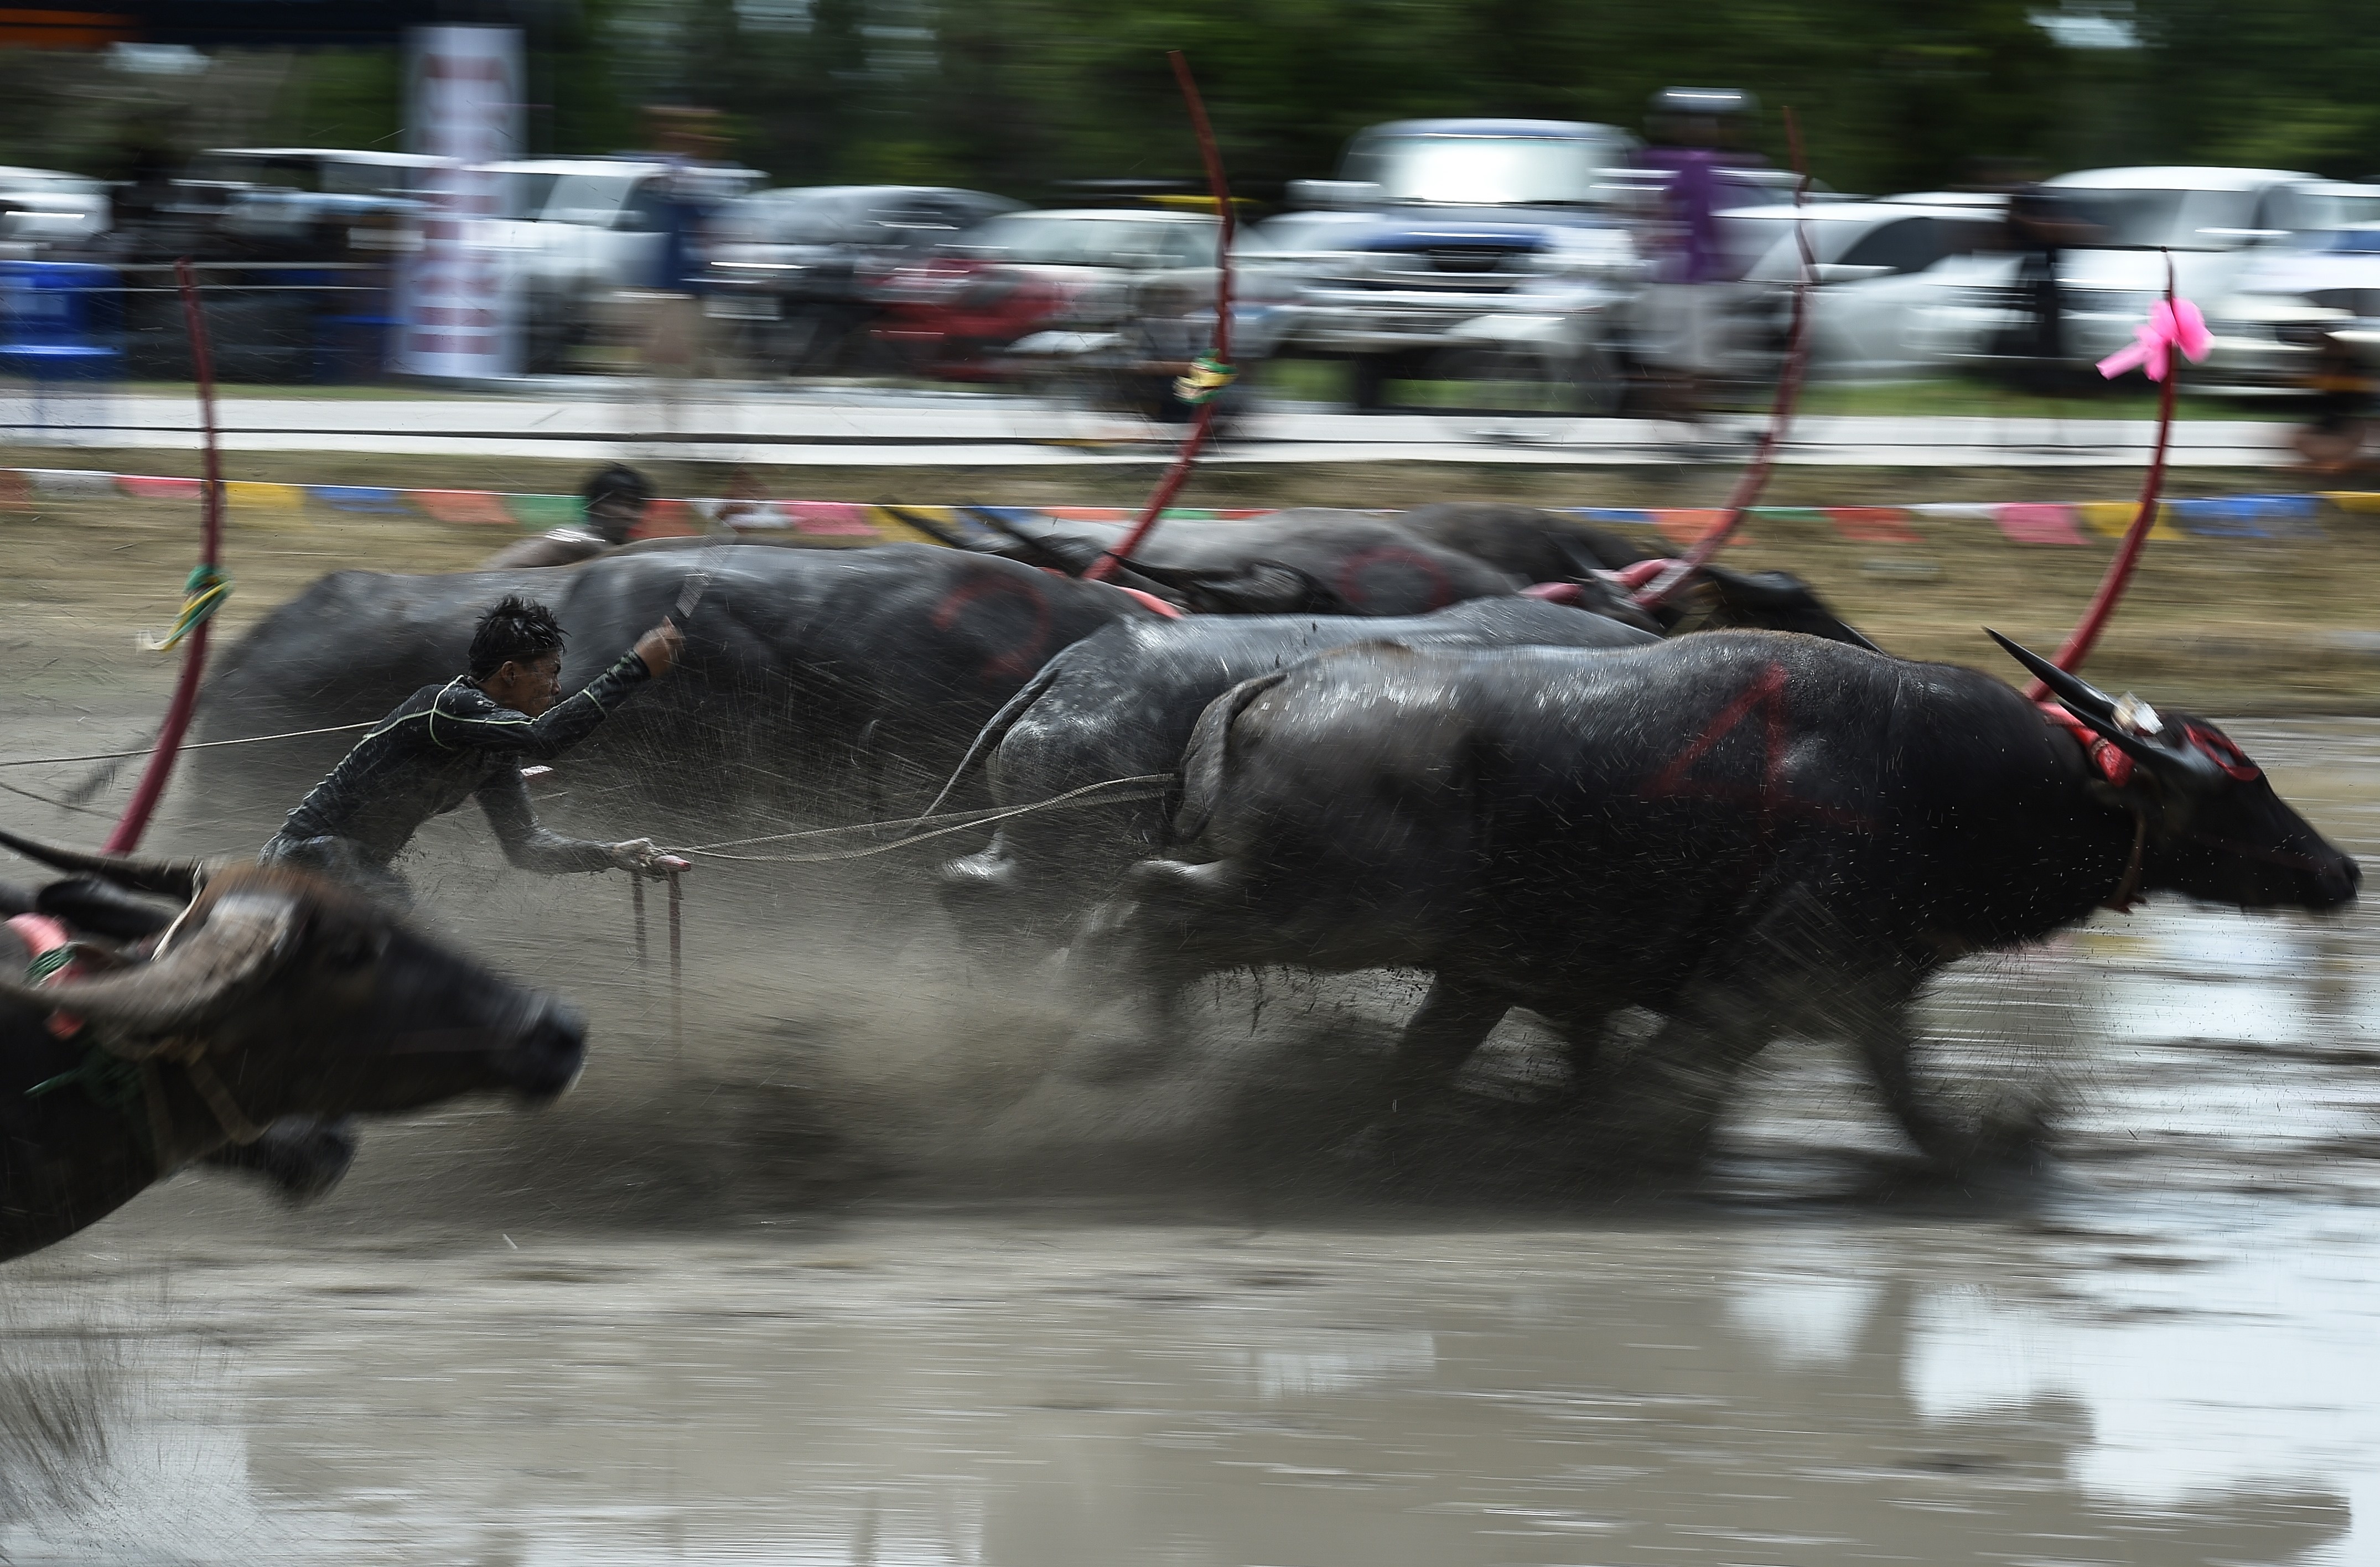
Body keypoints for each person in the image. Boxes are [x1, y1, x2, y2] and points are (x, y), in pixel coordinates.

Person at [260, 595, 686, 906]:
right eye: (552, 673)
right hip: (307, 856)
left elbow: (527, 846)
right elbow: (547, 739)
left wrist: (611, 854)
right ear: (510, 673)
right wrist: (633, 669)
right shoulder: (444, 706)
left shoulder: (495, 750)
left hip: (349, 871)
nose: (557, 688)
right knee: (410, 934)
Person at [1636, 88, 1770, 421]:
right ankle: (1683, 413)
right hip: (1697, 277)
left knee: (1681, 355)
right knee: (1699, 356)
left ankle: (1677, 412)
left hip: (1676, 274)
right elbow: (1713, 221)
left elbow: (1666, 203)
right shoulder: (1704, 165)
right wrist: (1731, 264)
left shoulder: (1684, 164)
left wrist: (1657, 239)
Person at [480, 463, 654, 568]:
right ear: (596, 506)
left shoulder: (579, 534)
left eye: (637, 507)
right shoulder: (586, 543)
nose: (633, 515)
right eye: (624, 505)